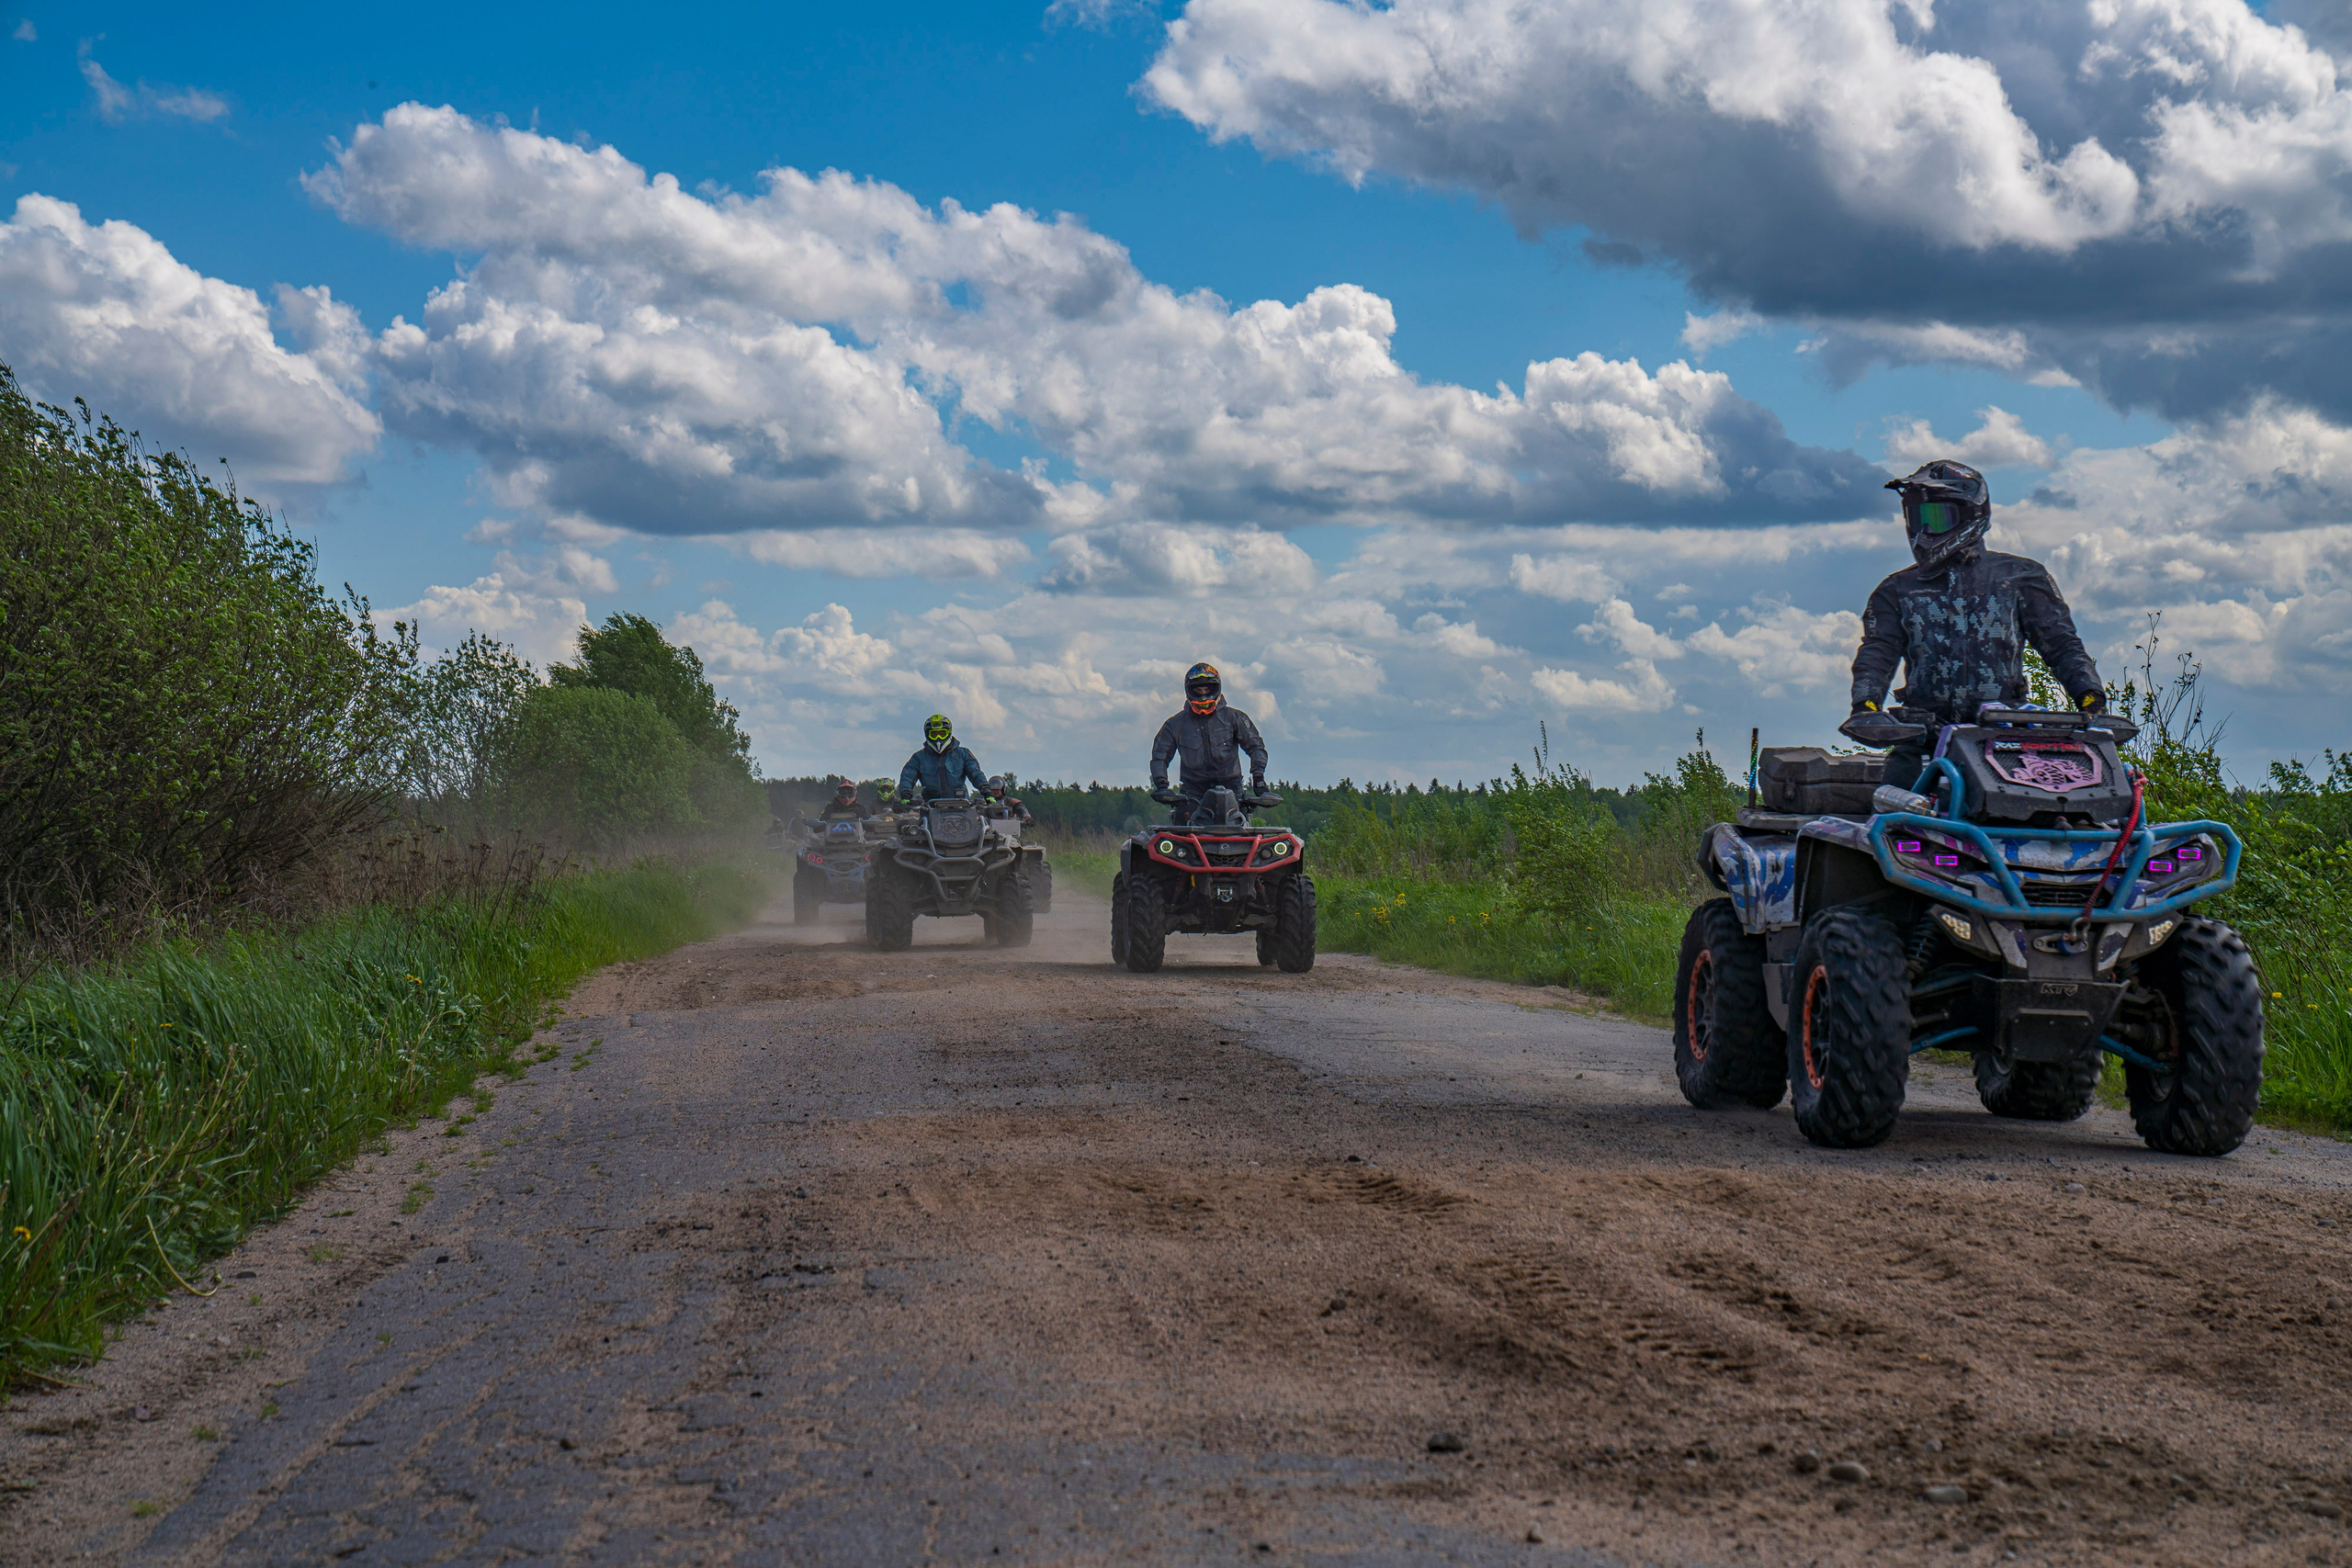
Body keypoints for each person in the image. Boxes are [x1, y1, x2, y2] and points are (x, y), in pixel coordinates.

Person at [1850, 460, 2105, 791]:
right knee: (1891, 820)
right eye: (1919, 518)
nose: (1927, 529)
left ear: (1971, 514)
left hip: (2008, 741)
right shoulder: (1896, 590)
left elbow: (2061, 644)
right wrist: (1866, 706)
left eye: (1938, 517)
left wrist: (2091, 698)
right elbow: (1877, 652)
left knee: (2054, 814)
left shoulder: (2020, 577)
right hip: (1923, 739)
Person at [1149, 662, 1268, 823]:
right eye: (1198, 690)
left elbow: (1256, 747)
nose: (1203, 694)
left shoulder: (1234, 717)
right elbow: (1160, 755)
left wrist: (1258, 779)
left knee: (1243, 837)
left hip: (1232, 791)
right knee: (1178, 840)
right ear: (1189, 691)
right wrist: (1161, 786)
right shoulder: (1175, 724)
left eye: (1208, 689)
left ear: (1217, 689)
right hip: (1192, 794)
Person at [899, 713, 989, 803]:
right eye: (934, 734)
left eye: (942, 733)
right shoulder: (918, 757)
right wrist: (906, 795)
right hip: (930, 806)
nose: (938, 738)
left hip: (961, 804)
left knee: (981, 817)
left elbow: (976, 773)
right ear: (927, 735)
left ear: (949, 733)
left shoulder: (963, 754)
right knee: (916, 817)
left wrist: (987, 792)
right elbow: (907, 777)